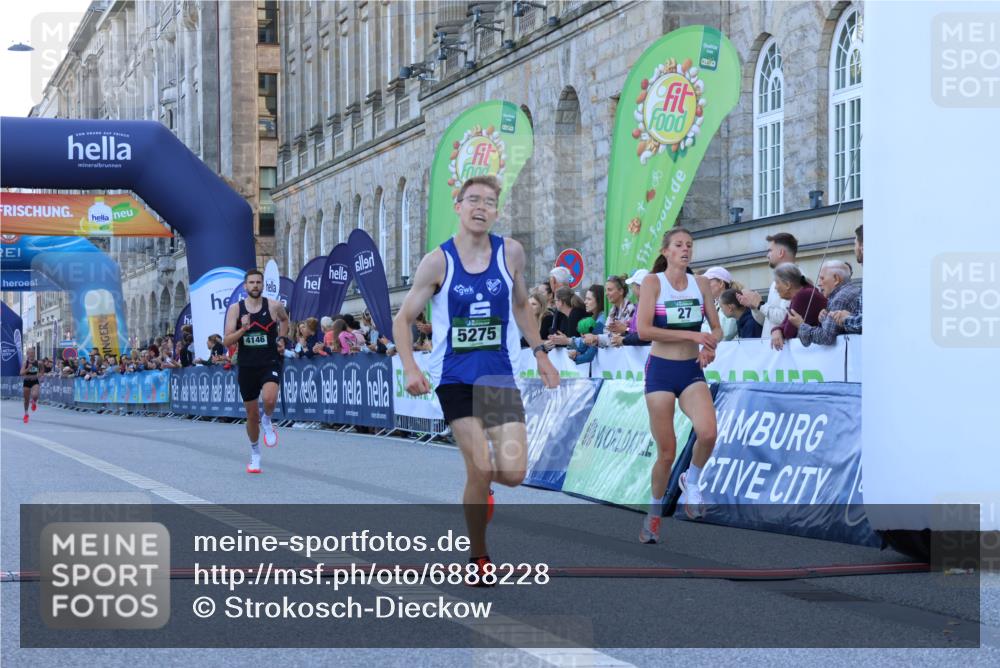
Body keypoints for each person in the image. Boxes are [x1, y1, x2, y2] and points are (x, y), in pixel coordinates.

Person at [392, 175, 559, 585]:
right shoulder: (438, 262)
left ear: (497, 211)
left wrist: (540, 353)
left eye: (489, 201)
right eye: (474, 200)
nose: (481, 207)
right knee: (480, 465)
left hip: (499, 377)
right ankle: (479, 555)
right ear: (459, 205)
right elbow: (403, 320)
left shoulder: (511, 253)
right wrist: (411, 368)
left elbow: (522, 307)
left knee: (515, 473)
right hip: (456, 380)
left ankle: (482, 485)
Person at [637, 227, 721, 543]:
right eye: (678, 245)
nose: (685, 249)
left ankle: (693, 480)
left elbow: (716, 327)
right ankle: (654, 513)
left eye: (689, 245)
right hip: (660, 371)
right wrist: (692, 336)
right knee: (667, 452)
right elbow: (644, 330)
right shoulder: (652, 282)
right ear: (666, 251)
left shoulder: (700, 284)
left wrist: (711, 344)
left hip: (690, 370)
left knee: (708, 432)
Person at [223, 268, 290, 473]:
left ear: (263, 285)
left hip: (269, 361)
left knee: (269, 399)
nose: (255, 286)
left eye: (258, 283)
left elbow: (286, 321)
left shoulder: (274, 305)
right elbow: (226, 340)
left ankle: (268, 420)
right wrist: (243, 329)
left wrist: (281, 338)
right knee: (251, 415)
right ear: (245, 286)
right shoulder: (236, 309)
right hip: (247, 365)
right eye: (251, 283)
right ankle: (255, 453)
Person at [738, 233, 798, 338]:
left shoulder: (795, 279)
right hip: (771, 349)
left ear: (781, 253)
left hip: (784, 350)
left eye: (770, 250)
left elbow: (786, 317)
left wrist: (760, 304)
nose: (767, 255)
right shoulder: (776, 281)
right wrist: (755, 307)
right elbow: (766, 322)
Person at [792, 260, 860, 346]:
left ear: (836, 279)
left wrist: (801, 325)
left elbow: (826, 337)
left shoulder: (841, 297)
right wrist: (824, 319)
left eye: (822, 278)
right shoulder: (849, 291)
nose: (819, 284)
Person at [769, 263, 827, 351]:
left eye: (777, 282)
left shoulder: (803, 295)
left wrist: (778, 330)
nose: (776, 288)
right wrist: (776, 329)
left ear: (788, 285)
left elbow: (788, 332)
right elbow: (785, 324)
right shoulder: (803, 293)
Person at [830, 224, 863, 333]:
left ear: (862, 248)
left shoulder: (842, 297)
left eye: (855, 244)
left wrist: (845, 319)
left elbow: (863, 323)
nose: (819, 283)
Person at [701, 266, 739, 341]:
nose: (704, 286)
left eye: (708, 282)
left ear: (721, 283)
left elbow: (725, 332)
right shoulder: (715, 304)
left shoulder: (732, 302)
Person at [20, 349, 42, 423]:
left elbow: (42, 371)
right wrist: (28, 369)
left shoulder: (38, 363)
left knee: (35, 395)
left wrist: (40, 375)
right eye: (30, 353)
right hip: (27, 382)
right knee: (26, 400)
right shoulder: (25, 363)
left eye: (33, 353)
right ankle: (26, 414)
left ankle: (34, 402)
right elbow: (21, 373)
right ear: (27, 354)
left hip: (35, 381)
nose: (32, 354)